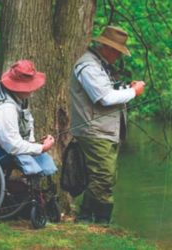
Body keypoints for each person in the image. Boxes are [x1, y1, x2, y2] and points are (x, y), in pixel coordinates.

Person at [70, 26, 146, 225]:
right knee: (103, 177)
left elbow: (107, 90)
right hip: (94, 131)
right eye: (117, 52)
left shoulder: (99, 64)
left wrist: (126, 89)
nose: (118, 57)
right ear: (107, 47)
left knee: (104, 177)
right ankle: (100, 222)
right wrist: (134, 92)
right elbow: (104, 97)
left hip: (105, 131)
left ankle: (86, 219)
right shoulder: (89, 66)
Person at [0, 60, 57, 185]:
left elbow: (27, 123)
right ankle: (28, 192)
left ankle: (32, 193)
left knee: (40, 158)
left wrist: (33, 143)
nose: (33, 90)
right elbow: (13, 146)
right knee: (28, 156)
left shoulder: (18, 98)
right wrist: (41, 148)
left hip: (1, 146)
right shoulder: (5, 108)